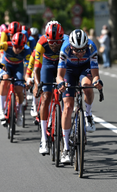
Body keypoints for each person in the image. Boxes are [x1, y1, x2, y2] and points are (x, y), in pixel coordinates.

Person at [56, 29, 103, 163]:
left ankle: (88, 114)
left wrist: (97, 81)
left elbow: (95, 74)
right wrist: (60, 84)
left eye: (82, 49)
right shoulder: (64, 48)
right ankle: (65, 148)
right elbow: (59, 75)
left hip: (85, 68)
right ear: (71, 46)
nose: (80, 52)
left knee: (88, 86)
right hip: (69, 71)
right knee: (68, 107)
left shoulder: (91, 46)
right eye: (76, 50)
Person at [32, 20, 68, 155]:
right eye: (51, 42)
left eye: (57, 42)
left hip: (62, 64)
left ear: (62, 39)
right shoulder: (41, 42)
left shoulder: (66, 41)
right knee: (46, 97)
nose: (54, 45)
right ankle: (43, 139)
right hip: (47, 65)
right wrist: (37, 85)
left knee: (66, 98)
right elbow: (36, 69)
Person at [0, 32, 31, 127]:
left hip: (19, 67)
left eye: (20, 47)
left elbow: (27, 67)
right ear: (12, 43)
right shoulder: (7, 45)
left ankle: (19, 113)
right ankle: (1, 109)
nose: (17, 49)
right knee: (5, 79)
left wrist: (27, 79)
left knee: (19, 89)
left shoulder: (27, 50)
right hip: (6, 65)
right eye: (16, 46)